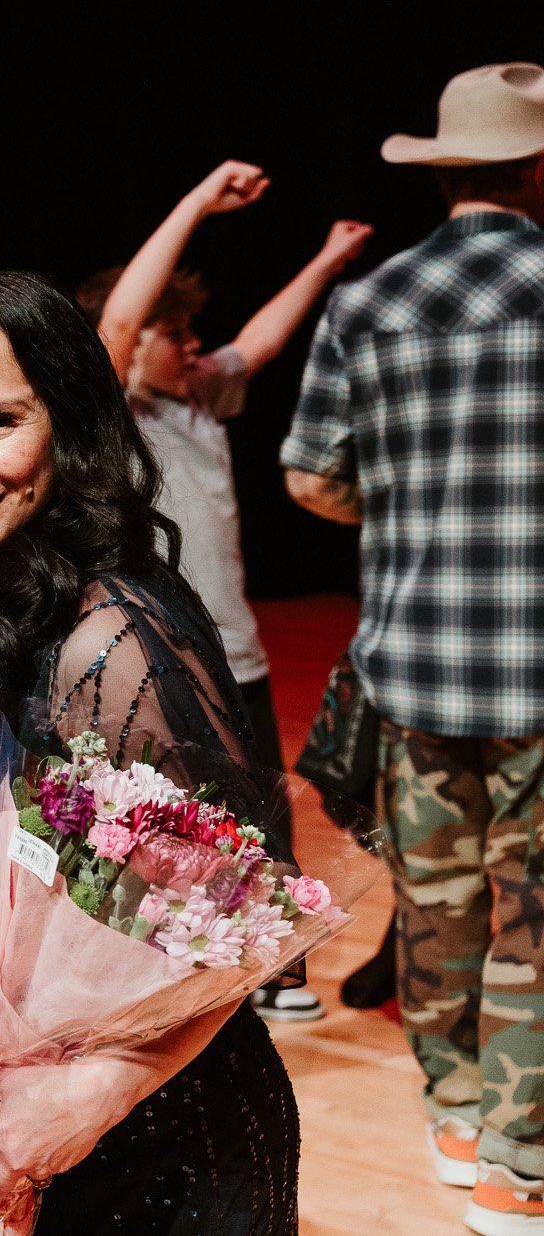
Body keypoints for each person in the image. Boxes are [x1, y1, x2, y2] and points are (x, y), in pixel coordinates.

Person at [0, 271, 298, 1234]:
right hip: (62, 1128)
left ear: (66, 425)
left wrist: (99, 1090)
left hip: (169, 1143)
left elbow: (253, 921)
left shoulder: (109, 640)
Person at [281, 61, 544, 1234]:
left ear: (444, 171)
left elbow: (307, 474)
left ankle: (453, 1117)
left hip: (413, 669)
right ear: (537, 169)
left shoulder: (368, 300)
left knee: (436, 910)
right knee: (531, 916)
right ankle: (515, 1165)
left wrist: (406, 504)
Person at [82, 161, 374, 1024]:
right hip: (168, 661)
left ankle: (276, 967)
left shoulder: (202, 398)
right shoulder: (117, 413)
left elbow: (264, 339)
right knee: (182, 819)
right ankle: (192, 973)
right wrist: (199, 202)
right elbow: (118, 321)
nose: (193, 344)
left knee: (264, 813)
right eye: (174, 332)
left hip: (238, 650)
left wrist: (328, 258)